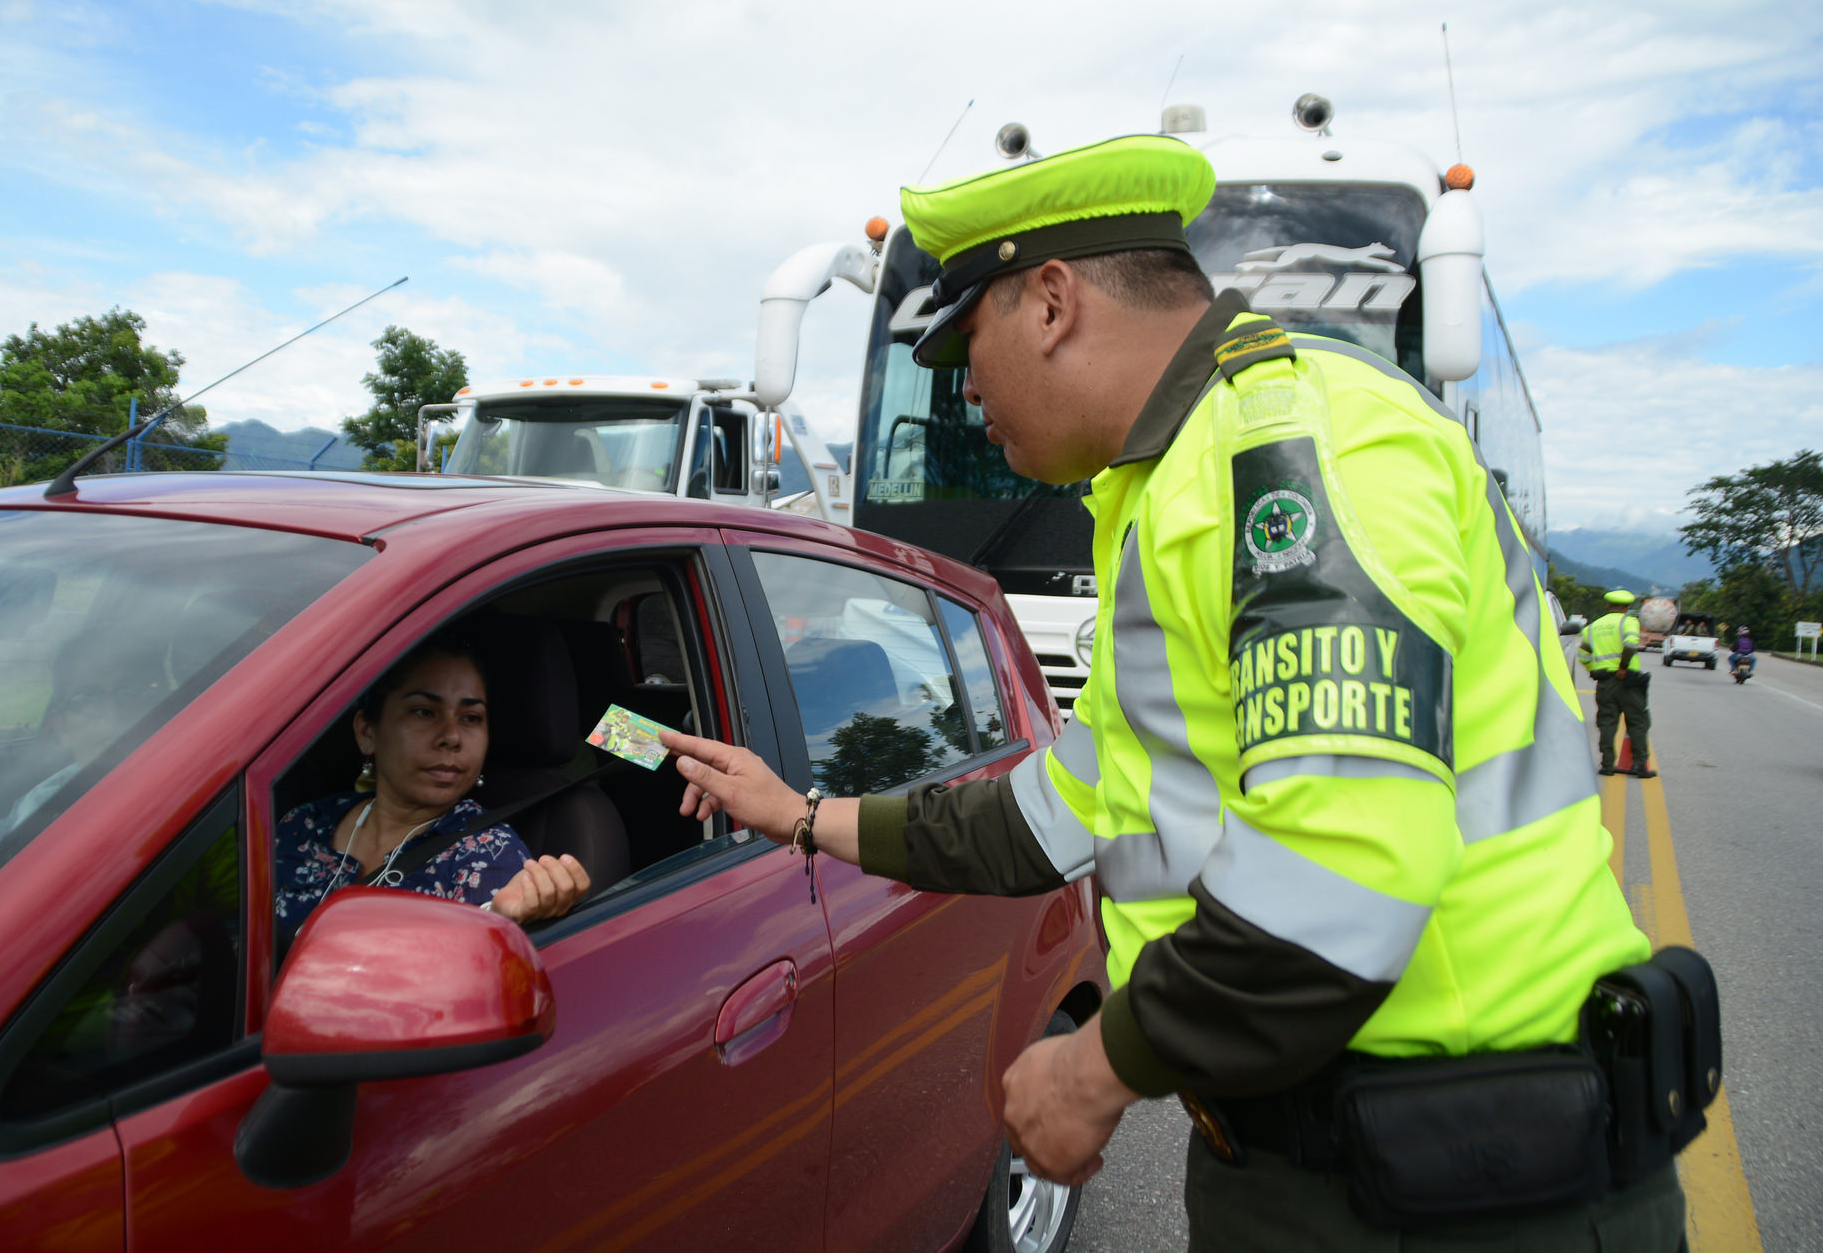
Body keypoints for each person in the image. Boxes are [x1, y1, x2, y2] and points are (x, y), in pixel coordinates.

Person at [663, 134, 1684, 1248]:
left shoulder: (1294, 458)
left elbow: (1334, 880)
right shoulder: (1174, 479)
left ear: (1048, 302)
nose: (960, 387)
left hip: (1464, 1178)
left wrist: (1094, 1067)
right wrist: (803, 815)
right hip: (1355, 1155)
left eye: (963, 345)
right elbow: (1051, 808)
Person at [274, 627, 590, 943]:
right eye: (424, 712)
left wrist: (497, 916)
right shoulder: (303, 824)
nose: (451, 736)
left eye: (470, 717)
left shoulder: (486, 855)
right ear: (367, 732)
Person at [1579, 588, 1655, 778]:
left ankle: (1606, 765)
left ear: (1607, 606)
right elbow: (1630, 645)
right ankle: (1639, 765)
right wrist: (1622, 667)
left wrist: (1593, 670)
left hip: (1604, 681)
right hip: (1628, 680)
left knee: (1606, 722)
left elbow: (1583, 656)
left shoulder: (1592, 627)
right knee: (1637, 722)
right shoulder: (1629, 622)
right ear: (1628, 607)